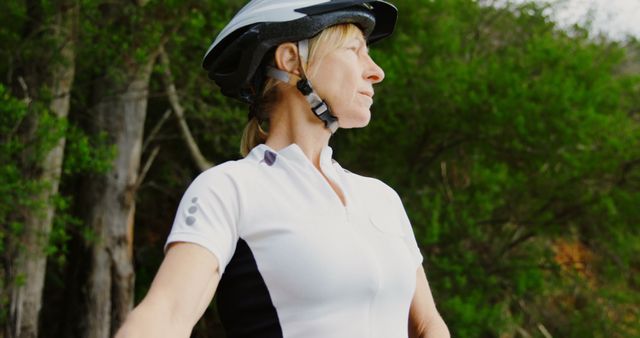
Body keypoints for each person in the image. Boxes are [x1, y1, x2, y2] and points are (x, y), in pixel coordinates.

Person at [115, 1, 450, 337]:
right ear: (291, 61)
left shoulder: (382, 198)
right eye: (354, 50)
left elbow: (427, 325)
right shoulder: (231, 189)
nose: (376, 71)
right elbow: (168, 314)